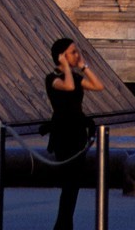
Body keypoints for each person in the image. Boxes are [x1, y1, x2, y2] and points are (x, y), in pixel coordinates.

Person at [45, 37, 103, 230]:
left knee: (73, 184)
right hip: (63, 133)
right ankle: (63, 225)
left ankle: (64, 224)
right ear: (61, 56)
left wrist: (84, 66)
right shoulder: (52, 79)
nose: (77, 55)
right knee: (69, 183)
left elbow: (98, 86)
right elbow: (69, 87)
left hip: (78, 132)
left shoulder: (76, 78)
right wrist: (66, 67)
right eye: (73, 52)